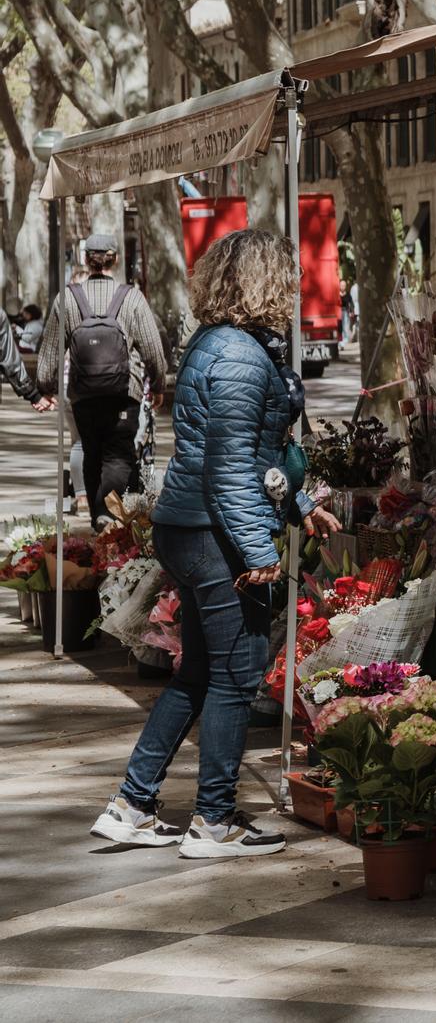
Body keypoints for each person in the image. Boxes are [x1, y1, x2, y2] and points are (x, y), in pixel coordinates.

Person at [89, 230, 341, 857]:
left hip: (195, 527)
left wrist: (301, 504)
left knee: (202, 670)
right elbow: (229, 469)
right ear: (263, 283)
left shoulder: (223, 344)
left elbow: (255, 456)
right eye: (286, 276)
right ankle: (214, 820)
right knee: (238, 671)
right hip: (213, 534)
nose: (294, 287)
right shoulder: (239, 354)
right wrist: (259, 552)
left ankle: (133, 803)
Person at [37, 236, 167, 527]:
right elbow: (152, 348)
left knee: (91, 451)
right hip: (125, 392)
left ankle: (100, 516)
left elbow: (50, 350)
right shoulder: (131, 297)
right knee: (119, 455)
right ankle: (108, 515)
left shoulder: (67, 298)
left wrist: (45, 386)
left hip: (84, 395)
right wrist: (158, 384)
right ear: (115, 259)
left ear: (86, 260)